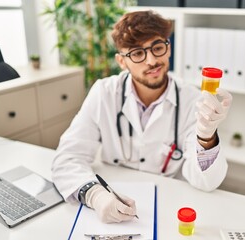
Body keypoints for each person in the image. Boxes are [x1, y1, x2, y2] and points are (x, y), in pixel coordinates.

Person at [52, 10, 232, 224]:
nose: (151, 60)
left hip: (168, 205)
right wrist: (95, 196)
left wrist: (206, 137)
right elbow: (67, 158)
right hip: (113, 196)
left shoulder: (192, 99)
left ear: (168, 48)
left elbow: (206, 183)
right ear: (121, 61)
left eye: (157, 47)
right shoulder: (104, 93)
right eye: (137, 53)